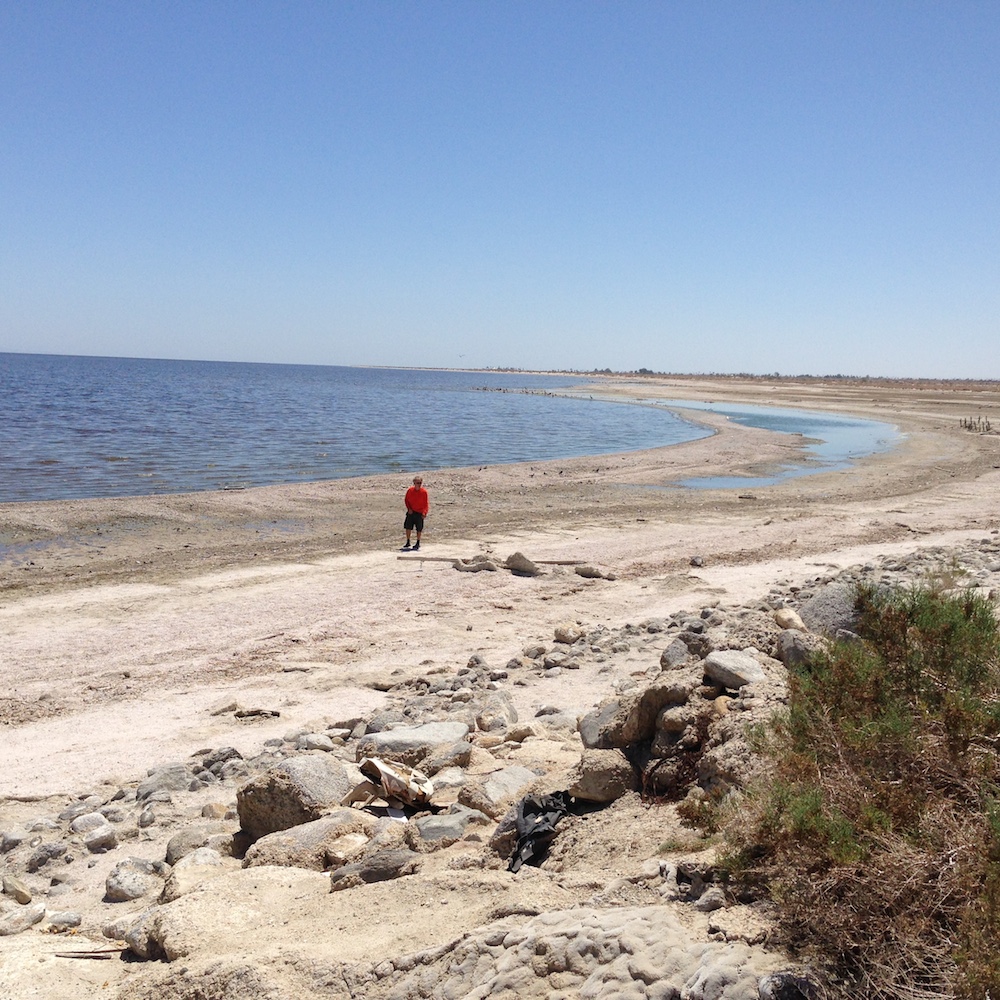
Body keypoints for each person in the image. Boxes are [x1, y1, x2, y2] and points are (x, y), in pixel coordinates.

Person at [402, 475, 428, 551]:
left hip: (419, 512)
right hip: (411, 511)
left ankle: (418, 542)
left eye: (420, 483)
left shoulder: (424, 492)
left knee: (419, 529)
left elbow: (426, 504)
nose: (419, 484)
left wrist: (424, 513)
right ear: (414, 483)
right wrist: (409, 508)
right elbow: (406, 500)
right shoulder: (410, 490)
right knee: (408, 527)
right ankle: (408, 541)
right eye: (417, 483)